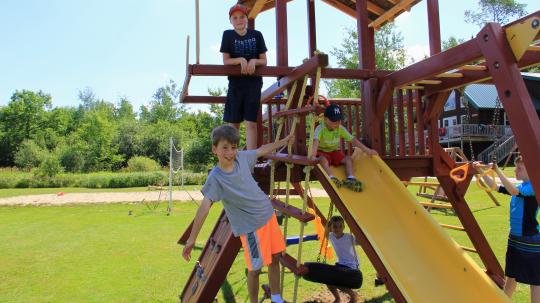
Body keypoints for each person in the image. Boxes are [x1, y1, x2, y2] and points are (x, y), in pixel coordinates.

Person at [182, 125, 293, 303]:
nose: (230, 152)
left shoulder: (241, 158)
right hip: (250, 228)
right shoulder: (216, 178)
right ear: (214, 149)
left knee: (275, 258)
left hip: (267, 215)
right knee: (255, 269)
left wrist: (283, 142)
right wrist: (192, 239)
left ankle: (277, 298)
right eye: (225, 147)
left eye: (233, 147)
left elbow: (260, 150)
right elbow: (204, 207)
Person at [474, 157, 540, 303]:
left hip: (530, 240)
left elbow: (515, 191)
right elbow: (496, 187)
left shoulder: (534, 187)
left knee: (535, 281)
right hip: (515, 239)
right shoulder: (521, 186)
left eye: (519, 168)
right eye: (515, 168)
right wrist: (479, 170)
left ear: (531, 171)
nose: (515, 171)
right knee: (511, 276)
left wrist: (497, 170)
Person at [220, 3, 267, 150]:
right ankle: (231, 157)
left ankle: (251, 161)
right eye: (235, 18)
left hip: (253, 83)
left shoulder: (257, 35)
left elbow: (264, 60)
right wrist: (240, 60)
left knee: (250, 122)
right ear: (231, 21)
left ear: (247, 18)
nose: (239, 20)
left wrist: (253, 61)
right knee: (233, 123)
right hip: (235, 83)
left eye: (242, 17)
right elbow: (226, 61)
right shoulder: (227, 35)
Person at [311, 103, 377, 191]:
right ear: (325, 119)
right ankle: (332, 178)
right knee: (322, 159)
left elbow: (353, 140)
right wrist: (312, 156)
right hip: (321, 152)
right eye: (334, 121)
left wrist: (367, 150)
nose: (337, 123)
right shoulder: (320, 129)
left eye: (338, 120)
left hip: (333, 152)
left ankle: (350, 178)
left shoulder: (340, 129)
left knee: (348, 159)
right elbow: (315, 142)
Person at [327, 215, 360, 303]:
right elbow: (325, 234)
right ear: (331, 227)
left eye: (340, 226)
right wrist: (327, 226)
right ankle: (337, 298)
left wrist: (354, 228)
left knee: (339, 283)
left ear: (344, 227)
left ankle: (353, 296)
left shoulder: (349, 237)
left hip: (352, 265)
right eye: (335, 226)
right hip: (341, 264)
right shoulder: (331, 236)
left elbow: (360, 242)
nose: (338, 229)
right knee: (328, 280)